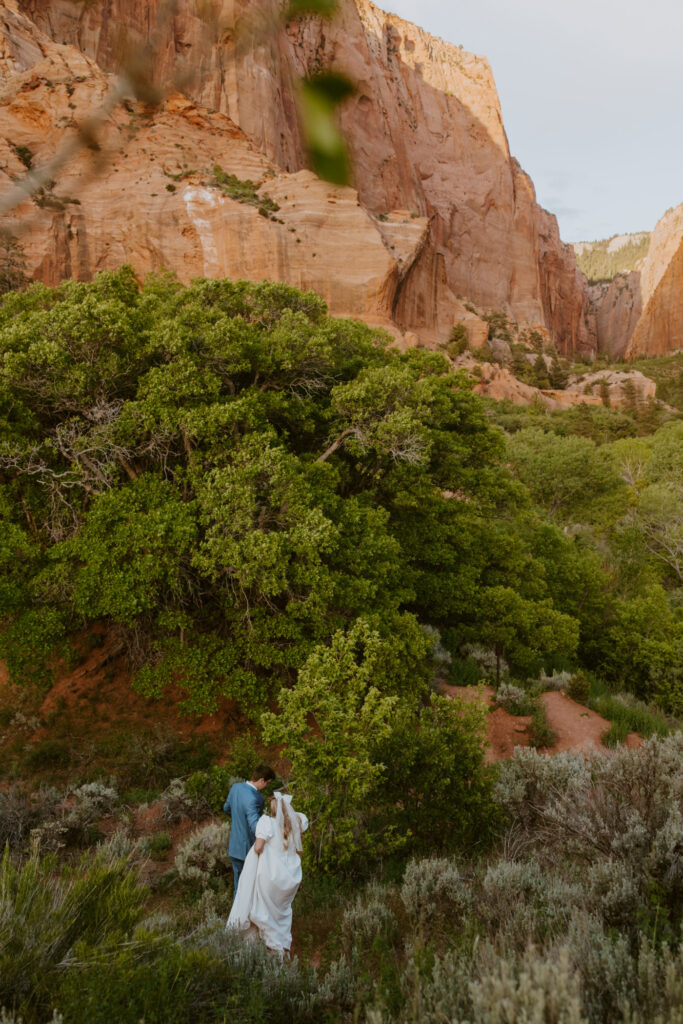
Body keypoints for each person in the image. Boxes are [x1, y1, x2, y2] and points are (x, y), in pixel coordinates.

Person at [226, 791, 309, 957]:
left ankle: (262, 948)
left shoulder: (266, 822)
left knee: (262, 911)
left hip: (269, 877)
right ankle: (279, 948)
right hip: (288, 880)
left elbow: (258, 847)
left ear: (272, 810)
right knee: (280, 912)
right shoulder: (295, 824)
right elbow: (298, 851)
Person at [223, 763, 275, 900]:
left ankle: (235, 920)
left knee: (238, 887)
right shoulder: (256, 799)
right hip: (247, 850)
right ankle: (244, 920)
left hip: (234, 847)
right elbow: (255, 827)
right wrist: (269, 828)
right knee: (249, 889)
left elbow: (226, 808)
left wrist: (238, 819)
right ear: (262, 780)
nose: (266, 787)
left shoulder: (235, 788)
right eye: (267, 783)